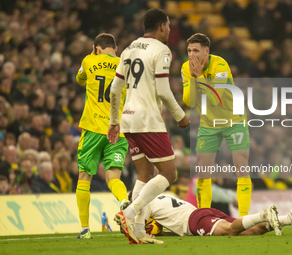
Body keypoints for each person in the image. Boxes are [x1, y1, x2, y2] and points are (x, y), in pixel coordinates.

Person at [107, 8, 190, 244]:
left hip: (128, 118)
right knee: (169, 173)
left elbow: (114, 89)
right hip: (148, 120)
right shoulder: (162, 50)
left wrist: (114, 121)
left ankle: (139, 231)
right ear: (162, 26)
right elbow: (163, 90)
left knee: (144, 174)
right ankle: (129, 214)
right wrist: (180, 115)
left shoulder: (129, 48)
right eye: (169, 26)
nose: (170, 31)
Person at [182, 33, 252, 216]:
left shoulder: (220, 65)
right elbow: (189, 101)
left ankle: (243, 219)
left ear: (207, 52)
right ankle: (204, 217)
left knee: (241, 165)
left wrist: (198, 75)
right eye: (189, 51)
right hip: (209, 123)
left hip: (233, 119)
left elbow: (216, 99)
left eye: (196, 51)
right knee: (203, 171)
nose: (191, 55)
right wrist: (194, 77)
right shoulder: (185, 68)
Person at [76, 33, 130, 239]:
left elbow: (79, 80)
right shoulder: (124, 64)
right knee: (113, 175)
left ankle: (84, 229)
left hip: (92, 128)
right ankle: (123, 199)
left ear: (96, 48)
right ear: (115, 49)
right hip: (118, 128)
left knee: (84, 176)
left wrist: (92, 55)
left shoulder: (89, 60)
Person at [129, 194, 292, 243]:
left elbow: (139, 228)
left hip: (193, 221)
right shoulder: (161, 196)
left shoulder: (144, 204)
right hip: (204, 212)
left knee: (228, 231)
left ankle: (263, 214)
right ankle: (288, 218)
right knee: (251, 232)